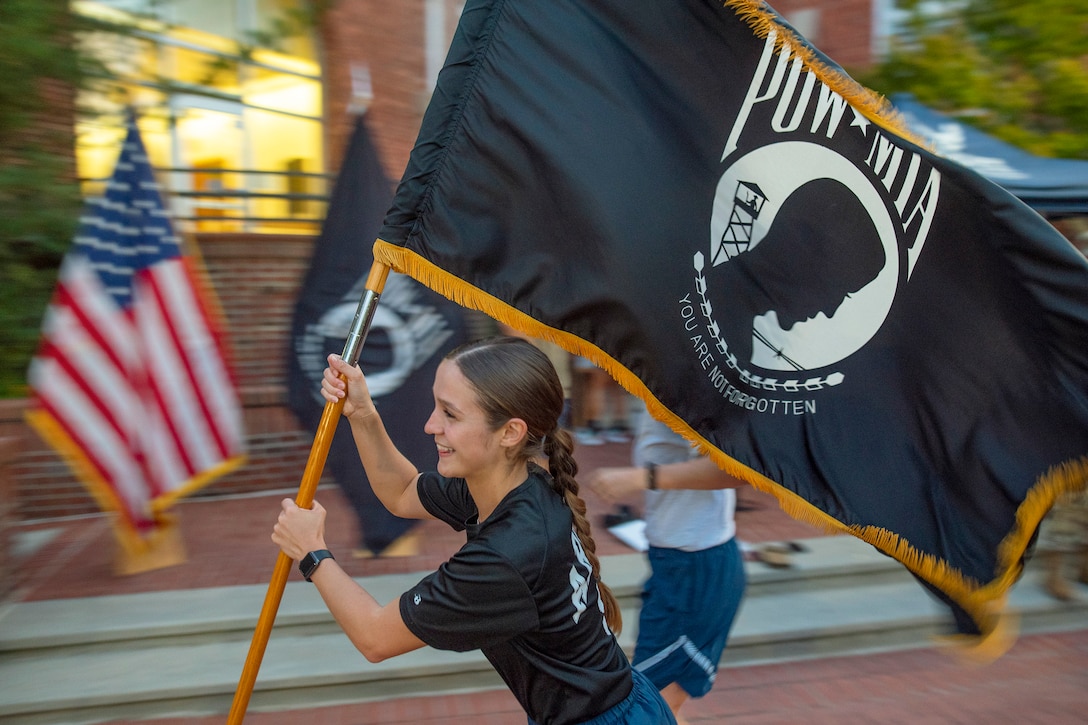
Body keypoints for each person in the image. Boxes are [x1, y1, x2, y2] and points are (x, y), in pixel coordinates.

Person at [272, 336, 676, 725]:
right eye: (436, 407)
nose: (431, 425)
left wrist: (312, 554)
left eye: (450, 414)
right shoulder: (509, 482)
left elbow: (375, 637)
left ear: (511, 432)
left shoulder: (506, 556)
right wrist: (362, 413)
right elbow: (402, 492)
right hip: (613, 704)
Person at [588, 410, 747, 725]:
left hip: (695, 570)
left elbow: (735, 470)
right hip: (677, 564)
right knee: (659, 710)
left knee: (646, 709)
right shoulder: (663, 378)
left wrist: (639, 478)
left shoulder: (690, 383)